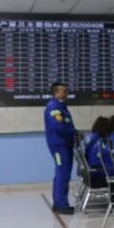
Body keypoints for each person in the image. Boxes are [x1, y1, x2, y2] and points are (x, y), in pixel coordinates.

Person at [43, 81, 77, 215]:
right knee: (62, 173)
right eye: (64, 91)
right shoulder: (54, 107)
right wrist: (73, 132)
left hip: (65, 145)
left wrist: (74, 133)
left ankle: (61, 202)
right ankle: (60, 204)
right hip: (59, 146)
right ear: (56, 92)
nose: (67, 93)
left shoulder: (61, 106)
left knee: (63, 173)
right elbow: (59, 127)